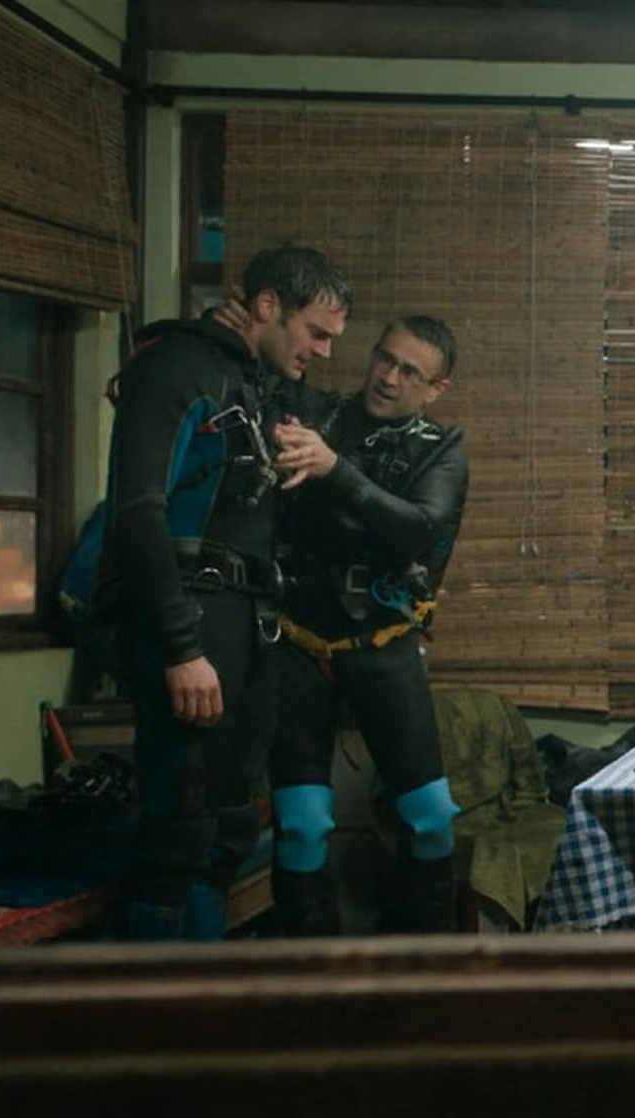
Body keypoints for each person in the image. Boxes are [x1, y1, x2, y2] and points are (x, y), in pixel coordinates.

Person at [95, 245, 350, 940]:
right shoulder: (175, 366)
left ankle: (209, 994)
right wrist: (181, 647)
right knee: (177, 832)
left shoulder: (256, 381)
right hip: (192, 621)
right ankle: (161, 1003)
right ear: (267, 306)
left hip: (249, 627)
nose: (324, 351)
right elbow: (137, 512)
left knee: (231, 826)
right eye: (316, 333)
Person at [256, 315, 470, 936]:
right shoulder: (313, 413)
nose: (389, 378)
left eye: (410, 372)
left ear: (436, 388)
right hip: (298, 645)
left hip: (383, 646)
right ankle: (313, 981)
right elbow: (236, 390)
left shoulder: (442, 449)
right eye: (385, 358)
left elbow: (418, 527)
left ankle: (417, 976)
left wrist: (335, 471)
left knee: (431, 817)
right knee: (302, 826)